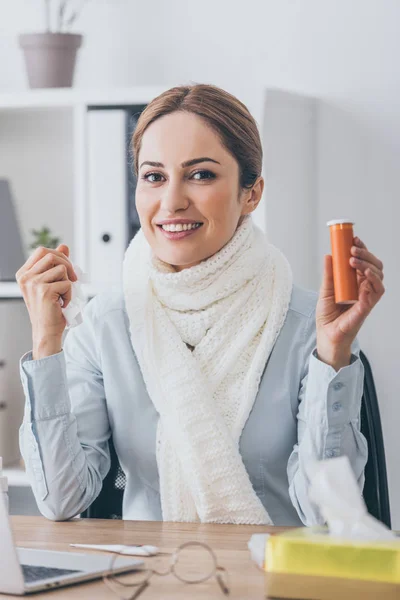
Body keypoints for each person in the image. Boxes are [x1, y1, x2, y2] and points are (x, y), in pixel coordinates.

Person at [17, 84, 385, 526]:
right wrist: (45, 341)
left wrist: (333, 355)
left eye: (201, 174)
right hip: (145, 581)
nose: (171, 202)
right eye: (154, 176)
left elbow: (327, 516)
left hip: (268, 582)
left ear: (251, 193)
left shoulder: (310, 325)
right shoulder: (106, 325)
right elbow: (62, 498)